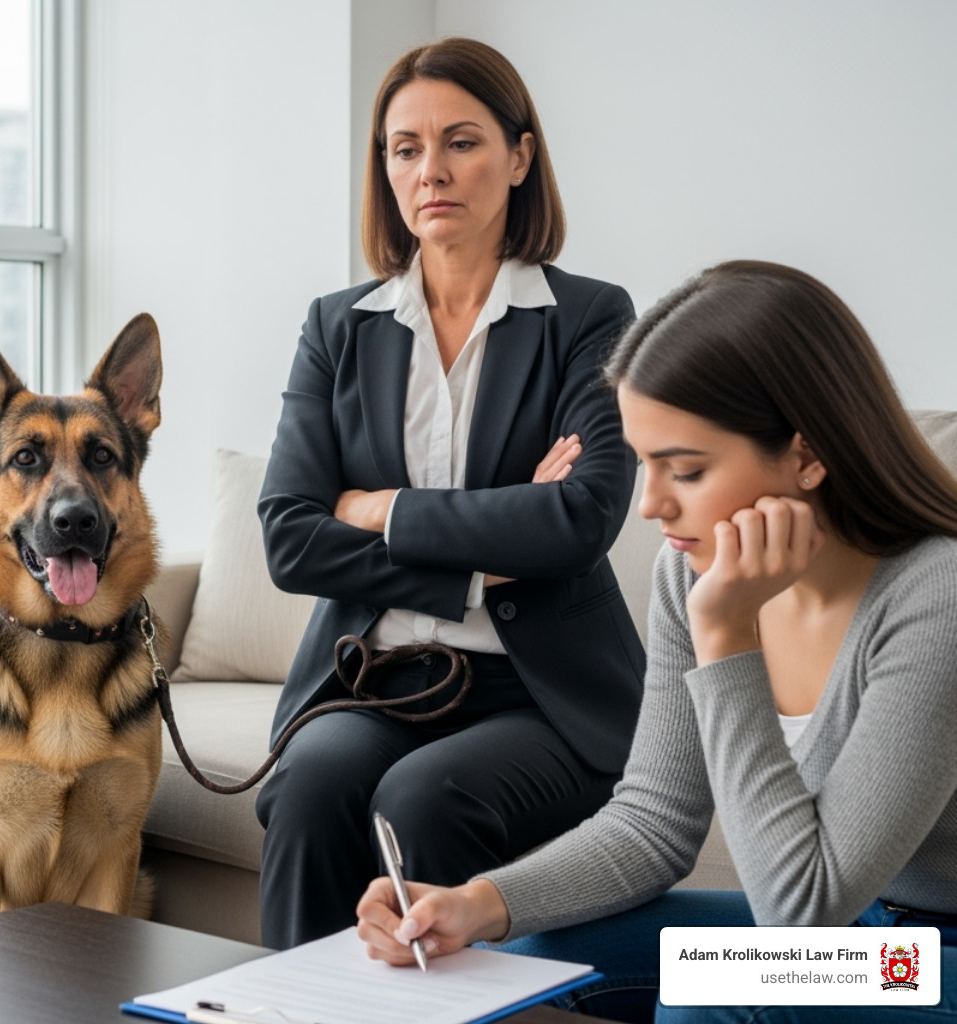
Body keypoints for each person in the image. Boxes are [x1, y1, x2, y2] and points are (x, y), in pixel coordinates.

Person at [356, 260, 957, 1023]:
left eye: (687, 469)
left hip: (927, 955)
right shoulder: (693, 569)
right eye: (646, 464)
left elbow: (803, 916)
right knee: (523, 964)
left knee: (715, 999)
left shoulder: (936, 595)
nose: (651, 505)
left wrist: (729, 638)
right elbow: (654, 821)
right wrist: (479, 903)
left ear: (806, 456)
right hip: (859, 944)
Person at [256, 37, 645, 951]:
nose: (431, 170)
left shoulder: (591, 317)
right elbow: (289, 538)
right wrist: (485, 556)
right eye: (405, 148)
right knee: (314, 783)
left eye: (461, 141)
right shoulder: (337, 327)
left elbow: (580, 520)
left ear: (519, 156)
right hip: (377, 681)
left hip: (537, 693)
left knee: (421, 796)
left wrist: (378, 506)